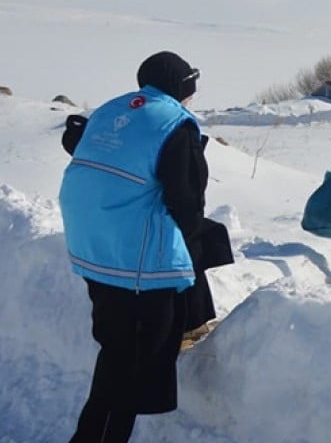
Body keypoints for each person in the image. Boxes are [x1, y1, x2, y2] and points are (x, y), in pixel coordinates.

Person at [59, 51, 223, 443]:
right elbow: (186, 200)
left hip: (93, 246)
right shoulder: (174, 123)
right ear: (183, 87)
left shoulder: (110, 111)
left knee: (116, 350)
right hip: (133, 261)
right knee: (138, 359)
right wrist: (190, 245)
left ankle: (89, 435)